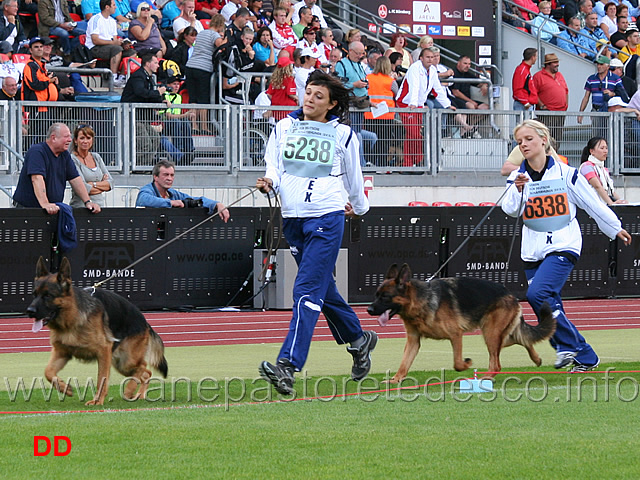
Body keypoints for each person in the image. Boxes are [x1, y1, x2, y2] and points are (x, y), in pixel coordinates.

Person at [255, 70, 375, 396]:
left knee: (306, 290)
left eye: (318, 96)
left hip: (327, 216)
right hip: (293, 219)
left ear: (332, 104)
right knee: (325, 290)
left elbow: (354, 177)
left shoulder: (344, 135)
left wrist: (359, 208)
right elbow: (274, 168)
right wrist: (269, 182)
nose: (310, 99)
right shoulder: (283, 127)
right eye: (308, 92)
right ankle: (359, 338)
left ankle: (287, 365)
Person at [502, 119, 631, 373]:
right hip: (532, 249)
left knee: (536, 295)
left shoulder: (567, 174)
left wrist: (615, 227)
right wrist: (517, 190)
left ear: (543, 140)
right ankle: (585, 356)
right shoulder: (518, 176)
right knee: (548, 305)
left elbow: (592, 204)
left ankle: (566, 347)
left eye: (529, 139)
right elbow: (509, 208)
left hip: (563, 245)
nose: (524, 145)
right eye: (519, 142)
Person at [13, 123, 102, 214]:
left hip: (51, 210)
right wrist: (45, 204)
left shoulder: (65, 155)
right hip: (26, 210)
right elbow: (37, 179)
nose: (70, 140)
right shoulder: (37, 152)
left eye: (70, 136)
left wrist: (88, 202)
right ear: (53, 138)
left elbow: (75, 179)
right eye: (66, 137)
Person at [396, 47, 454, 167]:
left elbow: (437, 89)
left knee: (414, 135)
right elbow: (414, 86)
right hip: (407, 104)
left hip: (418, 105)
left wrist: (447, 105)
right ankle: (416, 161)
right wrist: (413, 103)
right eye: (427, 57)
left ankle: (411, 162)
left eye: (432, 57)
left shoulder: (432, 70)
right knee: (414, 134)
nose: (430, 59)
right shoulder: (414, 68)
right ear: (421, 58)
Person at [136, 159, 230, 221]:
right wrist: (171, 203)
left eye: (172, 175)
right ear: (155, 177)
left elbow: (195, 200)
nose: (169, 178)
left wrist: (217, 204)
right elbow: (144, 199)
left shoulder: (173, 194)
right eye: (165, 175)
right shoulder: (147, 190)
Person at [185, 13, 225, 132]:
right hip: (203, 68)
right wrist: (226, 39)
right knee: (203, 98)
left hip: (190, 66)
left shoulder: (201, 32)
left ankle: (193, 125)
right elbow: (221, 46)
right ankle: (204, 126)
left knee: (193, 98)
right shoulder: (215, 35)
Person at [364, 55, 402, 166]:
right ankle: (381, 164)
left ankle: (369, 161)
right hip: (386, 115)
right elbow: (398, 95)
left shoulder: (368, 78)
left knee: (371, 140)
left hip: (370, 114)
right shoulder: (390, 81)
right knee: (384, 140)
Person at [578, 55, 628, 136]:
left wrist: (612, 94)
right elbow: (586, 97)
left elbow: (623, 94)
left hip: (610, 111)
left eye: (601, 64)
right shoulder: (591, 78)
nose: (598, 66)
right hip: (596, 110)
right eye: (598, 64)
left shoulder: (615, 78)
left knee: (611, 135)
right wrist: (581, 113)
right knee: (597, 136)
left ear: (608, 66)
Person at [86, 0, 129, 87]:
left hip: (109, 47)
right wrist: (114, 43)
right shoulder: (95, 19)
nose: (115, 7)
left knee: (131, 52)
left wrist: (122, 43)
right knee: (116, 49)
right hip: (95, 47)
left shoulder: (112, 21)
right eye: (113, 5)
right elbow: (95, 40)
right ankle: (113, 78)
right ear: (107, 7)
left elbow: (115, 40)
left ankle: (122, 77)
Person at [69, 124, 113, 208]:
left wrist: (93, 184)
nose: (85, 141)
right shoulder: (72, 159)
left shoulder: (96, 157)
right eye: (82, 138)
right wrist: (102, 185)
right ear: (75, 140)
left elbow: (111, 183)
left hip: (100, 208)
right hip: (80, 208)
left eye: (88, 138)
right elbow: (82, 188)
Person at [532, 53, 569, 147]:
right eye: (555, 62)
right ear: (548, 64)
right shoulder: (538, 76)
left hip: (560, 113)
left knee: (557, 138)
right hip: (547, 113)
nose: (557, 64)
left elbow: (566, 91)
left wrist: (565, 106)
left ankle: (554, 157)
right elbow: (533, 93)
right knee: (546, 137)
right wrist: (542, 106)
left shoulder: (560, 75)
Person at [580, 136, 628, 205]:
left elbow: (611, 191)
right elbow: (597, 186)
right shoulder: (586, 166)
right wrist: (611, 203)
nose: (605, 151)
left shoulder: (604, 170)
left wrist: (621, 201)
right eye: (602, 148)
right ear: (592, 151)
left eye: (606, 148)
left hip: (602, 204)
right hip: (591, 204)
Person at [266, 55, 297, 120]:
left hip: (276, 109)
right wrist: (298, 99)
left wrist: (276, 100)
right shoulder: (289, 79)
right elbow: (290, 94)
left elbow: (269, 94)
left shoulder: (274, 79)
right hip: (288, 109)